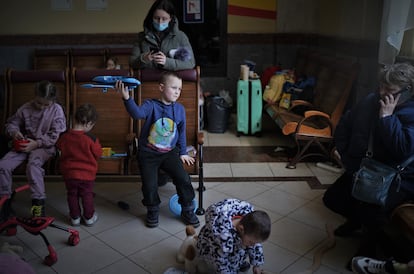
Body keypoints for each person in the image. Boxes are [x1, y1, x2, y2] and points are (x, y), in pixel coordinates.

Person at [323, 63, 414, 259]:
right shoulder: (371, 100)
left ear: (407, 91)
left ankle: (368, 249)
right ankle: (356, 222)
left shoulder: (411, 113)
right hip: (363, 167)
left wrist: (387, 119)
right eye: (380, 86)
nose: (382, 92)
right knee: (333, 199)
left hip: (395, 177)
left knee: (372, 212)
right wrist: (342, 151)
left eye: (389, 90)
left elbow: (402, 150)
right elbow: (346, 124)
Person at [115, 71, 199, 228]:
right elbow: (137, 113)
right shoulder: (150, 105)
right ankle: (152, 209)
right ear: (161, 87)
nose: (177, 92)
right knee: (149, 185)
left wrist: (182, 152)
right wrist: (127, 98)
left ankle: (187, 209)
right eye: (173, 88)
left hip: (169, 153)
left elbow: (181, 132)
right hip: (148, 154)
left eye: (179, 89)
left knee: (183, 179)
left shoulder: (180, 109)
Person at [0, 80, 66, 217]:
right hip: (24, 144)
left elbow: (55, 136)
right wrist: (14, 132)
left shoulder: (57, 110)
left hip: (45, 147)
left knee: (33, 166)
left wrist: (37, 143)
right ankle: (4, 201)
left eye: (46, 104)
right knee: (3, 166)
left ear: (53, 101)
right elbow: (11, 123)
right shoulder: (25, 108)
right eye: (38, 103)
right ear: (34, 96)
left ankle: (38, 204)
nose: (41, 107)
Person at [196, 198, 271, 274]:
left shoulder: (248, 226)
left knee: (243, 245)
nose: (253, 245)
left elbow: (255, 245)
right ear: (241, 229)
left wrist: (256, 265)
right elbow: (221, 265)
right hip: (211, 253)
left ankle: (237, 262)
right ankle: (233, 264)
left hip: (232, 248)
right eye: (251, 242)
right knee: (219, 264)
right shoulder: (222, 239)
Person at [56, 103, 101, 226]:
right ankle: (89, 217)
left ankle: (75, 217)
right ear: (88, 123)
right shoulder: (91, 138)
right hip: (87, 175)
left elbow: (59, 147)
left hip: (69, 174)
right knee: (87, 195)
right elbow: (98, 153)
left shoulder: (64, 136)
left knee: (72, 194)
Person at [129, 0, 195, 71]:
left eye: (164, 19)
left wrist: (167, 62)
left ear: (170, 19)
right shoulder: (141, 37)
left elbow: (190, 63)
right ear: (151, 17)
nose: (160, 22)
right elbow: (132, 62)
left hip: (171, 80)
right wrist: (144, 59)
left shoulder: (180, 36)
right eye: (156, 18)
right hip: (148, 79)